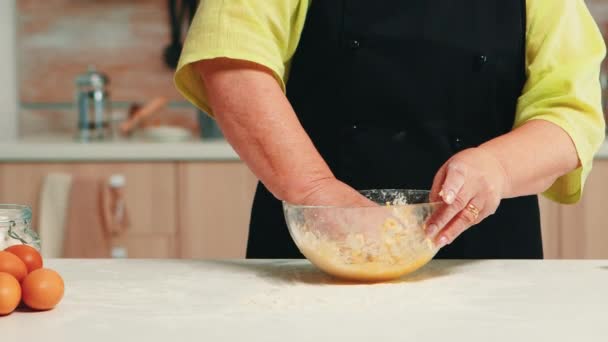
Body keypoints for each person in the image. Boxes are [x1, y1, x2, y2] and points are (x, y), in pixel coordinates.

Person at [175, 0, 606, 259]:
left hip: (486, 262)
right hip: (313, 256)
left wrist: (498, 167)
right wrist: (316, 194)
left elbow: (570, 113)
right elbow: (232, 64)